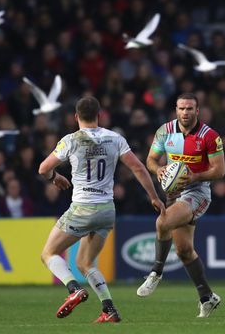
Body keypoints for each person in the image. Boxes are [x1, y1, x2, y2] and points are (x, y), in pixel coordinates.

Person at [38, 96, 165, 323]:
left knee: (48, 253)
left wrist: (55, 177)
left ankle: (73, 288)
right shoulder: (114, 138)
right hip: (107, 210)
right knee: (85, 263)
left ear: (76, 117)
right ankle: (109, 309)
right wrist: (154, 197)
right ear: (100, 115)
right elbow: (138, 168)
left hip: (82, 207)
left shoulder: (71, 140)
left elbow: (43, 168)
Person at [136, 93, 225, 318]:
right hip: (173, 193)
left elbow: (220, 170)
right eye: (181, 108)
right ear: (176, 110)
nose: (185, 113)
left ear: (198, 111)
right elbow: (151, 160)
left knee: (163, 222)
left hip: (198, 192)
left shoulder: (209, 136)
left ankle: (156, 271)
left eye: (189, 109)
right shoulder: (164, 131)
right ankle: (207, 297)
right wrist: (159, 170)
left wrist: (193, 177)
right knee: (184, 251)